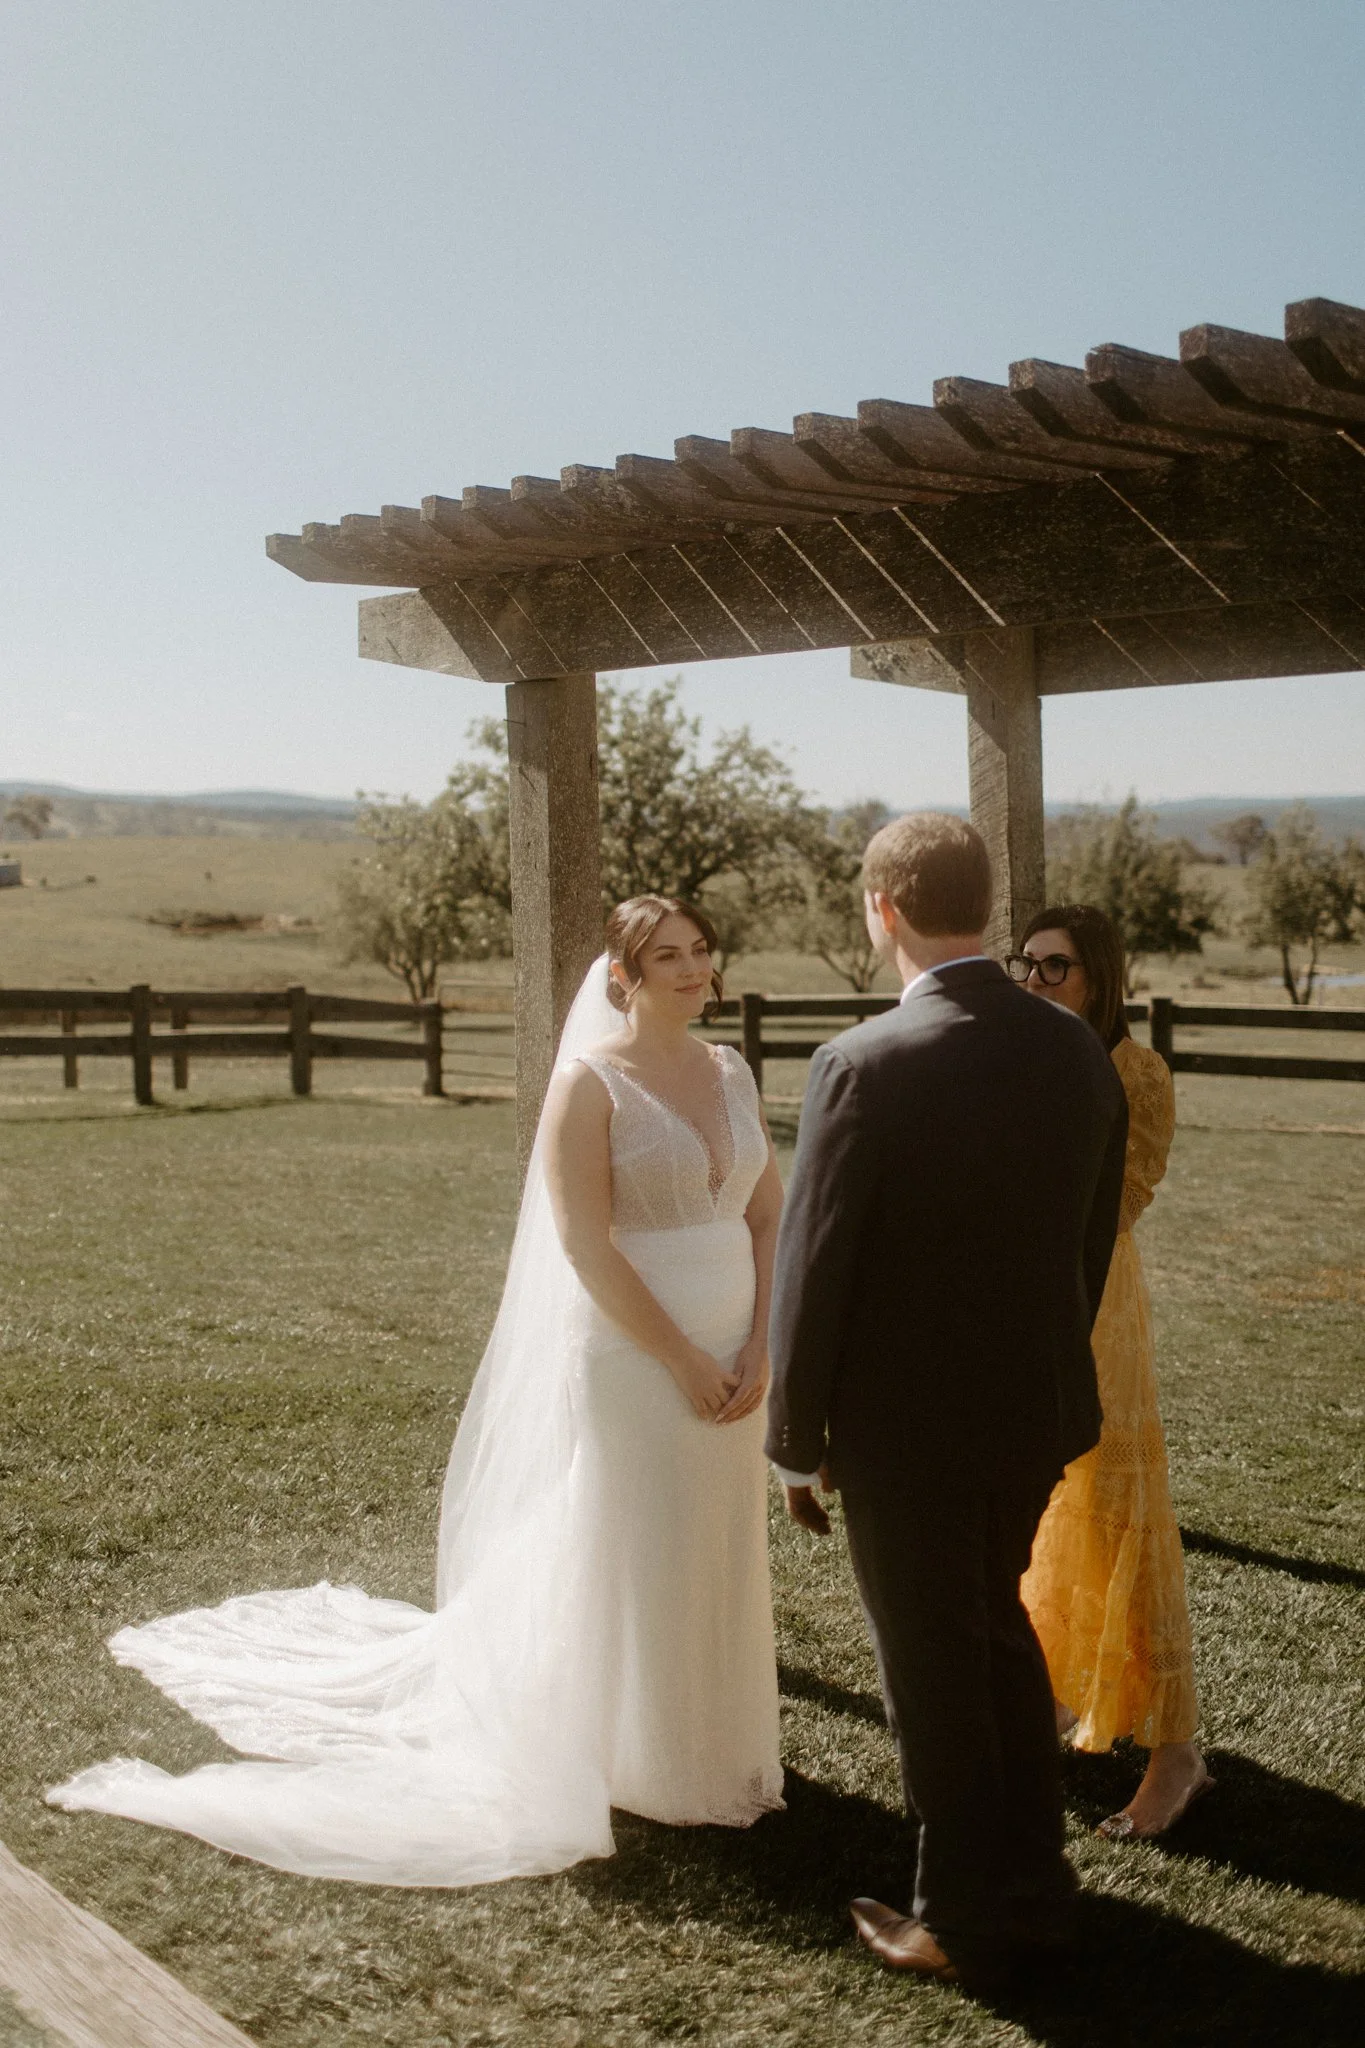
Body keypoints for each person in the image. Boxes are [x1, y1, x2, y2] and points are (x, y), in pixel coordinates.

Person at [49, 897, 785, 1884]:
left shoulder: (730, 1070)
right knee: (638, 1531)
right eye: (668, 956)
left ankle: (715, 1736)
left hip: (742, 1346)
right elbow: (584, 1246)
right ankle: (632, 1749)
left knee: (716, 1535)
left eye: (701, 949)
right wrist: (683, 1358)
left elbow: (771, 1212)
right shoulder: (590, 1084)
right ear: (625, 976)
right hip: (635, 1350)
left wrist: (763, 1341)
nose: (694, 969)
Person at [765, 813, 1128, 1987]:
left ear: (882, 909)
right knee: (996, 1635)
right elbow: (1088, 1243)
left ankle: (965, 1915)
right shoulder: (1077, 1048)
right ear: (981, 901)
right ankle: (1036, 1886)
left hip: (903, 1435)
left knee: (934, 1665)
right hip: (1033, 1412)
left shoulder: (861, 1061)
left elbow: (814, 1268)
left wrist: (793, 1440)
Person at [1011, 905, 1209, 1839]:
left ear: (1098, 975)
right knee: (1047, 1504)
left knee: (1121, 1501)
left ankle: (1176, 1753)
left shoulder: (1134, 1070)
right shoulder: (1017, 1054)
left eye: (1055, 968)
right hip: (1019, 1301)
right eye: (1026, 966)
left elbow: (1121, 1199)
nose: (1036, 982)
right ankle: (1053, 1692)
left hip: (1096, 1305)